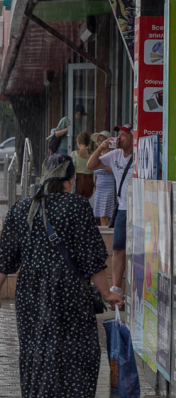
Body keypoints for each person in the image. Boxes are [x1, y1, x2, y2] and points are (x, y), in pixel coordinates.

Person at [0, 155, 122, 398]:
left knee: (40, 353)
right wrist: (107, 292)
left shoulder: (23, 208)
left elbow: (4, 255)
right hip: (68, 292)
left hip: (30, 293)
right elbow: (91, 257)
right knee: (74, 354)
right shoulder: (76, 206)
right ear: (70, 181)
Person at [87, 124, 134, 295]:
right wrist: (101, 147)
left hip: (140, 209)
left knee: (139, 251)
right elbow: (90, 165)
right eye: (118, 134)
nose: (119, 138)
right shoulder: (114, 155)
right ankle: (116, 288)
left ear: (132, 138)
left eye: (123, 134)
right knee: (118, 247)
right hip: (122, 208)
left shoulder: (139, 156)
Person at [90, 131, 115, 226]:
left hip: (110, 188)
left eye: (103, 140)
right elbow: (91, 168)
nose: (101, 142)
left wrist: (103, 166)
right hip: (100, 189)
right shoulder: (97, 155)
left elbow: (116, 170)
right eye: (99, 140)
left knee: (108, 215)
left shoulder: (113, 154)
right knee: (101, 216)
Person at [71, 132, 94, 199]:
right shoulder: (92, 154)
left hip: (78, 182)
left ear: (78, 142)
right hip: (89, 182)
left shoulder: (74, 154)